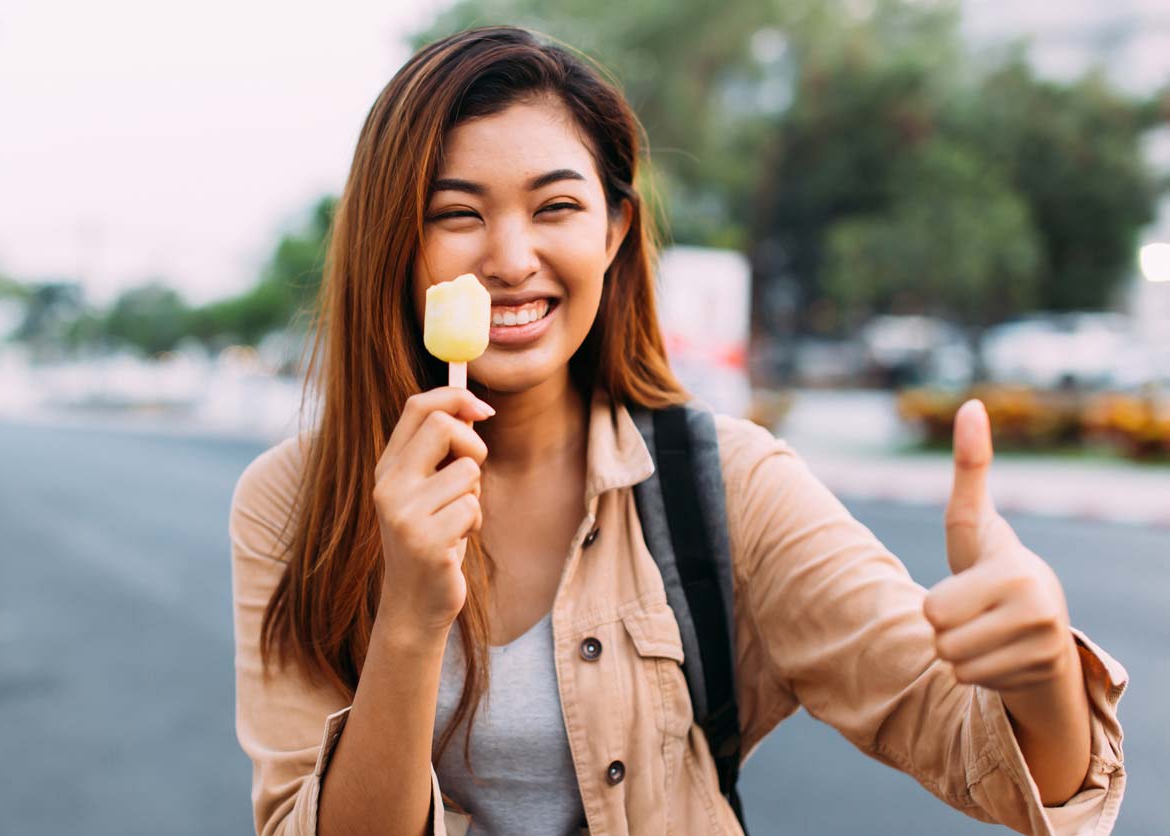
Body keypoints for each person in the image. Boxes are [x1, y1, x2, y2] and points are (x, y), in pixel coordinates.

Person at [230, 25, 1127, 836]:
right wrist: (411, 623)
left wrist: (1043, 670)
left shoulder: (725, 482)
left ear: (616, 230)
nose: (509, 258)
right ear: (394, 240)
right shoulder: (289, 504)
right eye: (456, 213)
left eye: (556, 207)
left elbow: (999, 768)